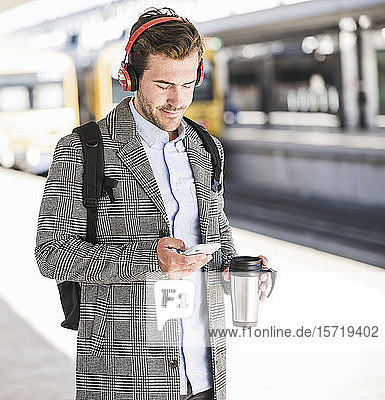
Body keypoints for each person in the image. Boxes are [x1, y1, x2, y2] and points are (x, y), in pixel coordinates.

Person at [35, 7, 272, 400]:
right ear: (129, 78)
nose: (177, 100)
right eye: (163, 84)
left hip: (204, 372)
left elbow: (217, 233)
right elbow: (51, 255)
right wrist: (150, 260)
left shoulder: (206, 148)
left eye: (187, 84)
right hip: (124, 375)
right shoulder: (82, 150)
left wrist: (234, 267)